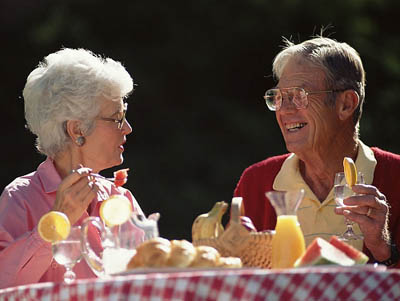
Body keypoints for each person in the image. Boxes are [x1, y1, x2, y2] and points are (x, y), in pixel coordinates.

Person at [234, 36, 400, 268]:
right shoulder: (255, 183)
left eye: (300, 95)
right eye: (279, 97)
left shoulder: (396, 178)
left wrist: (384, 249)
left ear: (346, 104)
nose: (284, 110)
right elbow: (234, 279)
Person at [0, 48, 145, 288]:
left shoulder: (120, 197)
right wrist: (56, 223)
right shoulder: (20, 197)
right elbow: (4, 286)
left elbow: (152, 278)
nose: (127, 128)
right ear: (76, 129)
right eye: (117, 118)